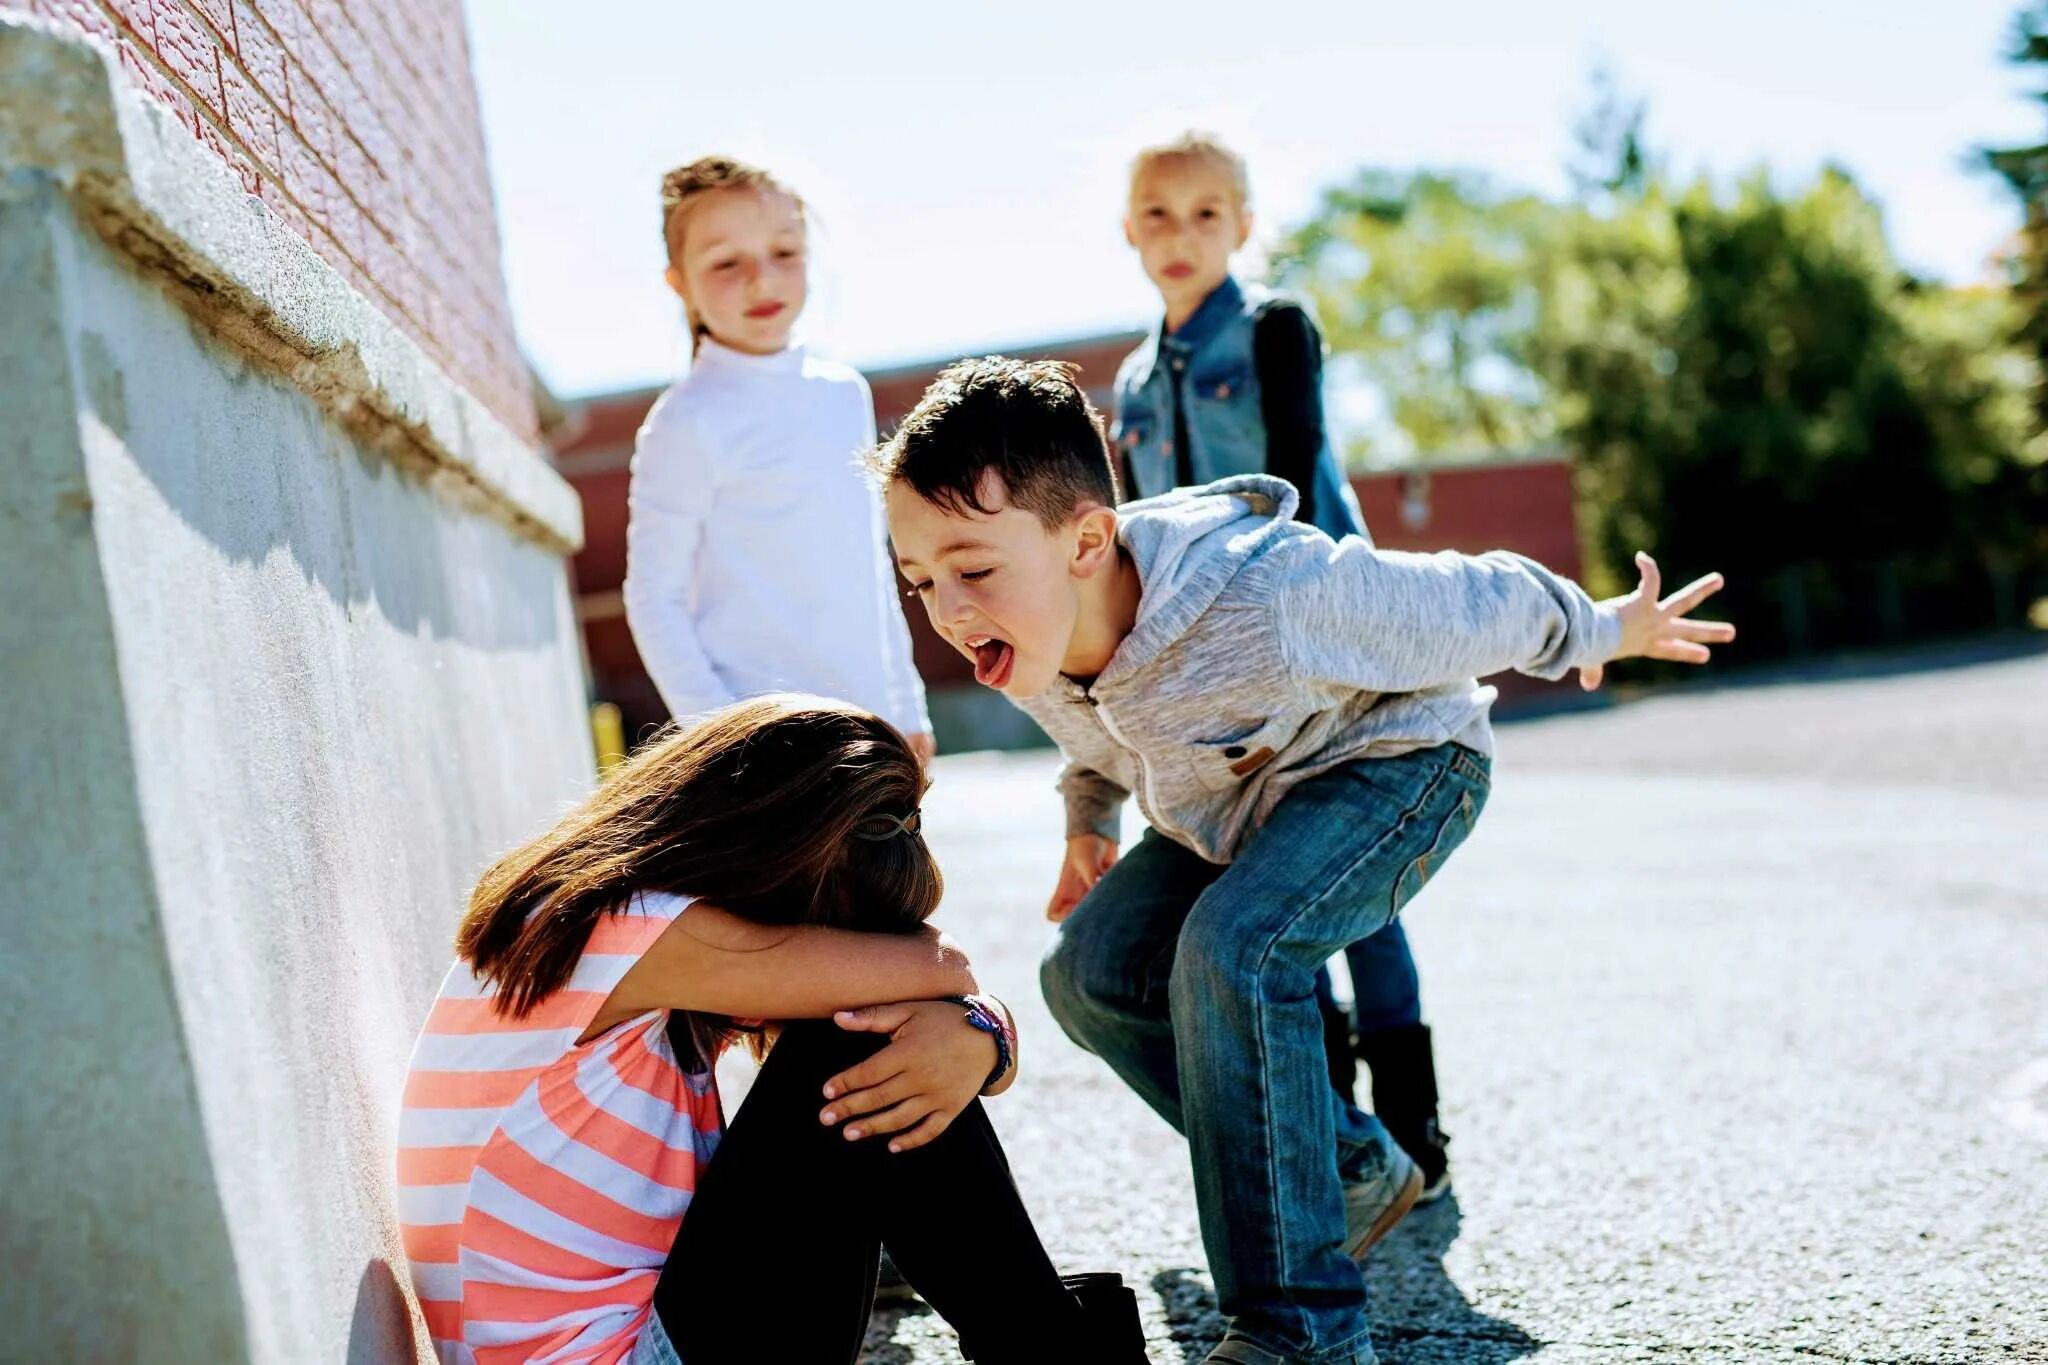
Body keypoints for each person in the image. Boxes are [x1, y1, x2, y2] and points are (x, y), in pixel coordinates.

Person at [872, 358, 1733, 1365]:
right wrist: (1086, 822)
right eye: (919, 579)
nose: (947, 608)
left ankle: (1304, 1330)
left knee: (1232, 949)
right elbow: (1092, 736)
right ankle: (1345, 1163)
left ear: (1086, 542)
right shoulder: (1025, 628)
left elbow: (1468, 598)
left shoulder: (1270, 595)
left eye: (970, 569)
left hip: (1400, 766)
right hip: (1239, 807)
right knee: (1086, 976)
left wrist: (1597, 626)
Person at [395, 696, 1148, 1365]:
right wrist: (974, 1022)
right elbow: (941, 965)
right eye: (824, 930)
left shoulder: (611, 928)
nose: (832, 955)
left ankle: (1051, 1347)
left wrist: (981, 1033)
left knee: (878, 1045)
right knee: (858, 1044)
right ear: (770, 854)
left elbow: (943, 989)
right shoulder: (624, 929)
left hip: (641, 1335)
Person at [1109, 131, 1446, 1194]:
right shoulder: (1126, 380)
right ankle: (1339, 1135)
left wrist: (1323, 652)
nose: (1180, 234)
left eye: (1206, 213)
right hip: (1209, 672)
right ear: (1128, 229)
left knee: (1357, 894)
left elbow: (1297, 480)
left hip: (1321, 643)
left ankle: (1414, 1128)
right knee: (1265, 889)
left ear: (1243, 226)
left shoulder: (1270, 330)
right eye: (1157, 214)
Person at [623, 156, 933, 764]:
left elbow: (870, 569)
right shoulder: (686, 420)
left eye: (784, 253)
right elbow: (653, 597)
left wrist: (906, 706)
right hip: (765, 746)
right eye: (726, 262)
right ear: (679, 282)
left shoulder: (845, 393)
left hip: (873, 730)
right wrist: (724, 736)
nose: (761, 280)